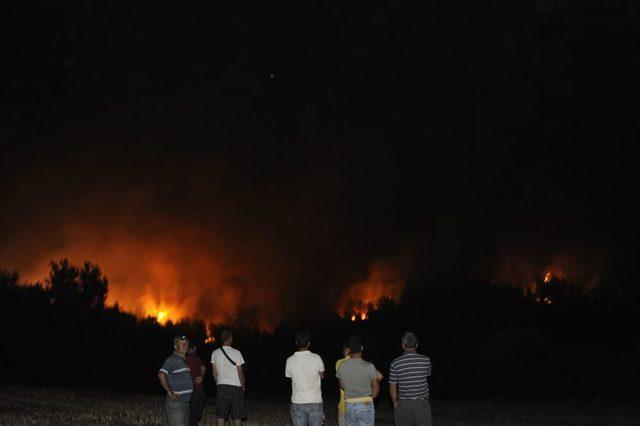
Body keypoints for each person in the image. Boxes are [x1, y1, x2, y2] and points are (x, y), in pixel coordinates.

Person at [389, 331, 432, 426]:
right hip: (422, 404)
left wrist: (395, 403)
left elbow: (392, 387)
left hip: (403, 405)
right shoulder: (426, 360)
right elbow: (427, 375)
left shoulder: (395, 363)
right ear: (417, 344)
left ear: (403, 345)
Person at [336, 342, 384, 426]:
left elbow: (342, 385)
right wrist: (369, 398)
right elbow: (376, 388)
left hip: (349, 403)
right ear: (361, 348)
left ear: (349, 350)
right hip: (366, 403)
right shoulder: (369, 365)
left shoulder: (342, 366)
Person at [285, 329, 325, 426]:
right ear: (309, 343)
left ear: (296, 342)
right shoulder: (317, 358)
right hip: (315, 401)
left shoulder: (290, 360)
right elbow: (322, 376)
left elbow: (289, 376)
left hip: (297, 402)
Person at [210, 329, 246, 426]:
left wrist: (219, 383)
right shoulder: (237, 353)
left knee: (221, 416)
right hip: (236, 387)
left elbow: (214, 372)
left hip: (221, 386)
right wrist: (243, 386)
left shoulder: (215, 353)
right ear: (230, 338)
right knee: (237, 416)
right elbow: (240, 373)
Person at [158, 335, 194, 426]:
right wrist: (169, 392)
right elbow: (161, 374)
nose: (184, 346)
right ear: (175, 347)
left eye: (186, 344)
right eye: (181, 344)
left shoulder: (184, 361)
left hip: (186, 403)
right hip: (176, 404)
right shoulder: (172, 359)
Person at [187, 344, 206, 426]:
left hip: (186, 391)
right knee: (194, 417)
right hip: (196, 390)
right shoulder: (197, 359)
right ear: (195, 348)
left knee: (187, 416)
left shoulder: (183, 359)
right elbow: (203, 368)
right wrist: (201, 376)